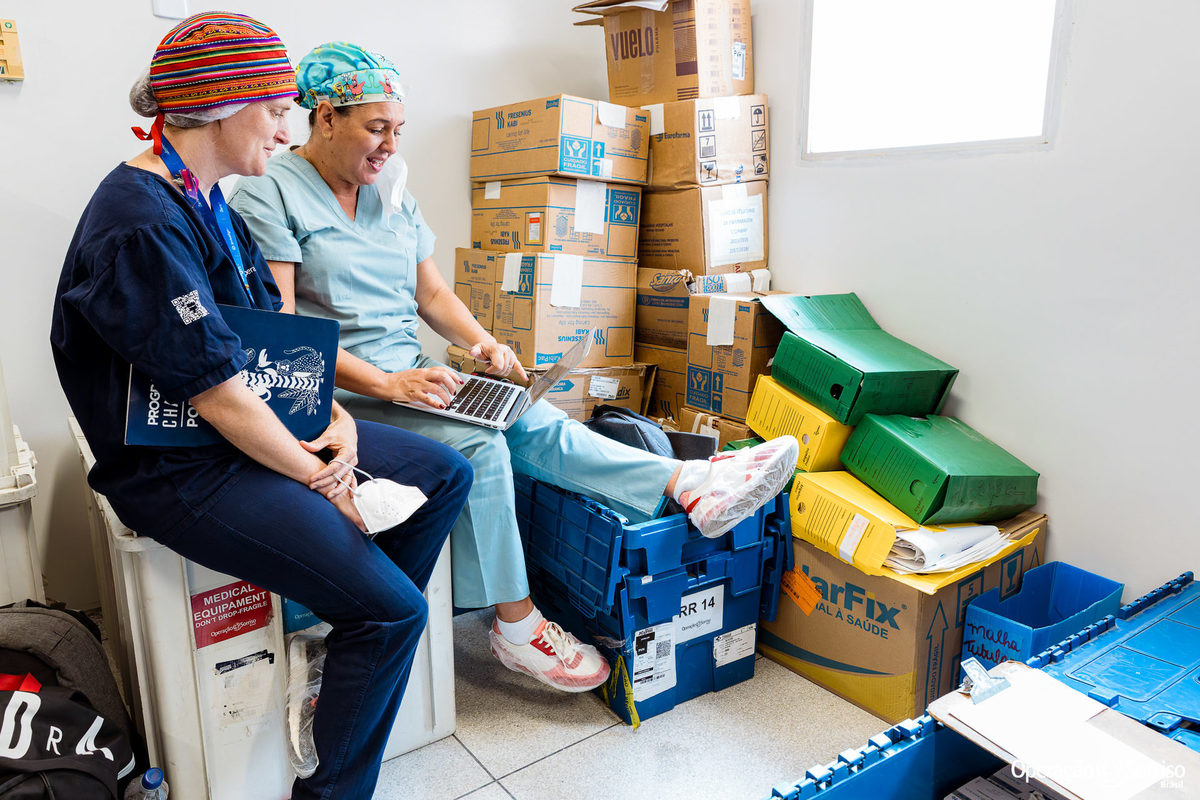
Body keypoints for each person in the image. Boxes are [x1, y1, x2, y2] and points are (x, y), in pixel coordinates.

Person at [230, 41, 799, 694]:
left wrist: (484, 344)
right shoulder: (270, 193)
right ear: (327, 118)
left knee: (531, 416)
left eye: (398, 130)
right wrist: (386, 383)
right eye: (377, 127)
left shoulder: (391, 193)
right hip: (343, 397)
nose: (390, 146)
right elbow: (287, 336)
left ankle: (689, 482)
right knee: (480, 443)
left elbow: (431, 294)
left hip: (414, 378)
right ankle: (516, 624)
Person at [50, 15, 472, 800]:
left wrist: (338, 420)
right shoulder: (140, 223)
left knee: (445, 474)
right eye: (276, 110)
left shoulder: (208, 199)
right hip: (179, 468)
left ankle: (342, 640)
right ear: (219, 106)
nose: (286, 131)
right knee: (395, 612)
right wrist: (323, 475)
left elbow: (272, 338)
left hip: (243, 429)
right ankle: (335, 772)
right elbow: (219, 395)